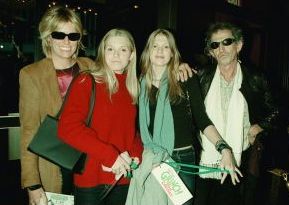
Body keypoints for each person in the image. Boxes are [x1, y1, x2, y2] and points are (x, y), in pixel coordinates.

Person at [135, 29, 240, 205]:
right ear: (147, 50)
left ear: (172, 53)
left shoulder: (185, 78)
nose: (160, 51)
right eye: (155, 46)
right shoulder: (138, 84)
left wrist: (224, 148)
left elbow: (202, 120)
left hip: (183, 159)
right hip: (152, 158)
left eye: (166, 47)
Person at [194, 22, 279, 205]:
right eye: (215, 45)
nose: (221, 49)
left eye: (227, 42)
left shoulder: (255, 78)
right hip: (204, 158)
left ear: (239, 45)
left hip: (240, 159)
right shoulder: (201, 76)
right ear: (211, 51)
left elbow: (277, 111)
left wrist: (259, 126)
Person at [57, 28, 144, 205]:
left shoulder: (132, 87)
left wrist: (136, 154)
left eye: (123, 50)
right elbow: (68, 128)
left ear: (132, 55)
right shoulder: (87, 81)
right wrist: (111, 156)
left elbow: (130, 131)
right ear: (103, 52)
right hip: (91, 179)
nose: (116, 55)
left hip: (122, 177)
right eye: (110, 49)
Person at [19, 6, 95, 205]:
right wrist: (33, 184)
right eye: (59, 35)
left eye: (73, 35)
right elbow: (29, 131)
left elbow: (125, 80)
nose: (66, 42)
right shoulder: (32, 74)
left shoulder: (91, 67)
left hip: (91, 164)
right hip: (54, 167)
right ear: (48, 37)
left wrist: (175, 67)